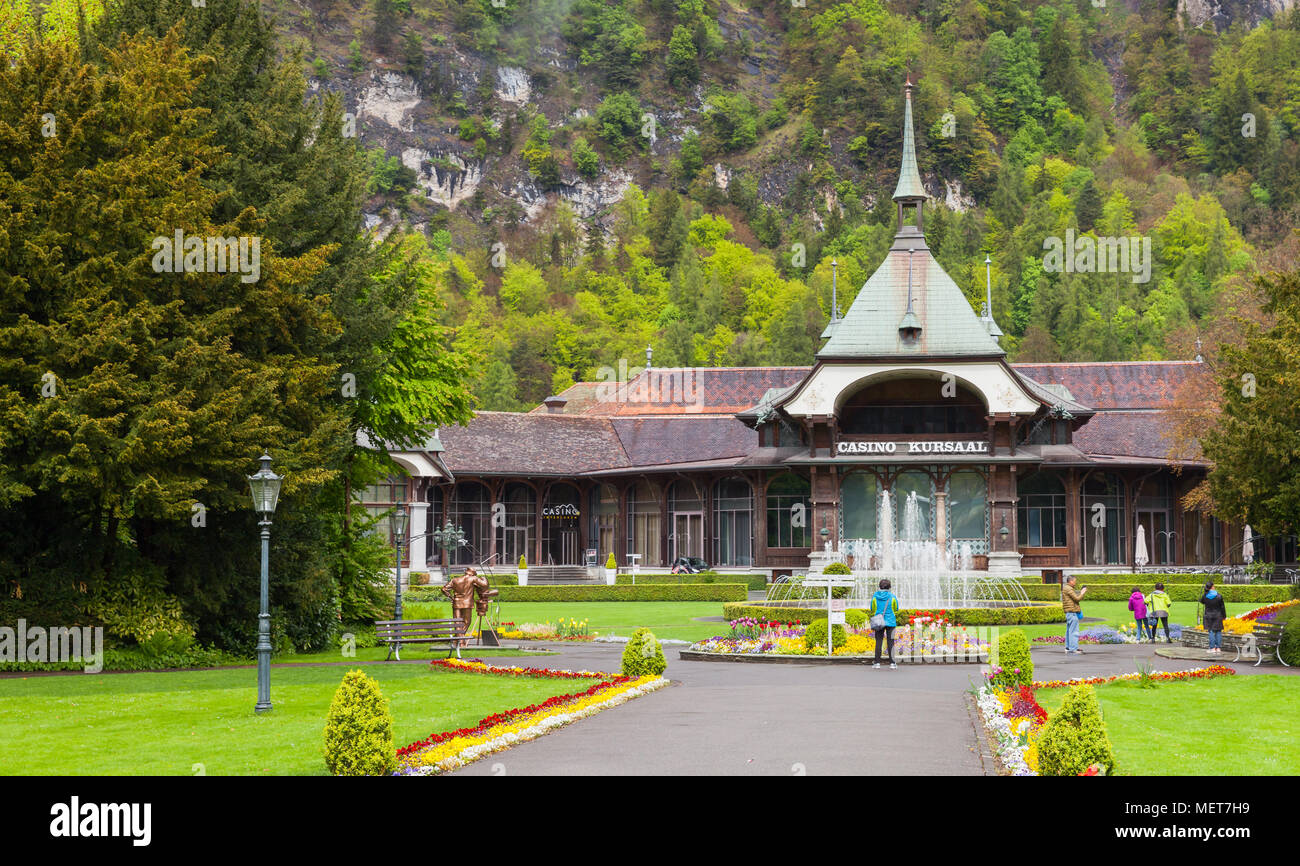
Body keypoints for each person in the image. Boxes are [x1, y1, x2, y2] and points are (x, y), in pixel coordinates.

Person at [870, 578, 900, 670]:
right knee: (890, 642)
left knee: (878, 641)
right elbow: (896, 608)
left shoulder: (875, 596)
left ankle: (877, 663)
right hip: (891, 622)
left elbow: (872, 608)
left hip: (879, 621)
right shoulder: (892, 596)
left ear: (879, 586)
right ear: (889, 587)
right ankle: (892, 663)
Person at [1061, 576, 1089, 654]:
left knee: (1069, 630)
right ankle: (1073, 648)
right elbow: (1077, 599)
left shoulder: (1066, 588)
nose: (1075, 583)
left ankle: (1068, 647)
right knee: (1074, 631)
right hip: (1072, 613)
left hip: (1069, 612)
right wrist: (1082, 593)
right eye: (1074, 581)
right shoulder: (1068, 589)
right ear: (1070, 581)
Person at [1200, 581, 1227, 655]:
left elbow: (1201, 601)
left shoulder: (1205, 596)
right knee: (1218, 631)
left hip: (1209, 615)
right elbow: (1222, 607)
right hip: (1218, 615)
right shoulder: (1219, 596)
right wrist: (1224, 616)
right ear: (1212, 587)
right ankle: (1218, 648)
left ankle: (1212, 648)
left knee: (1211, 631)